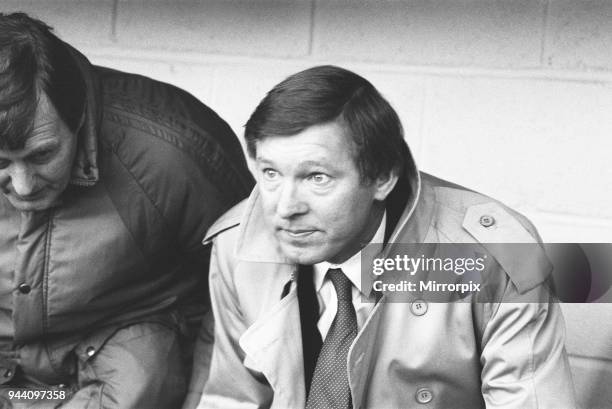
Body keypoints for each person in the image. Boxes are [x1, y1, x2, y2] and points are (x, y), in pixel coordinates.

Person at [196, 65, 577, 408]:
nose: (285, 207)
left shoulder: (499, 253)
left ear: (382, 177)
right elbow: (234, 399)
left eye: (317, 177)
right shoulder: (239, 244)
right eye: (271, 174)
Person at [0, 12, 254, 409]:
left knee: (143, 370)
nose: (23, 186)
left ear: (78, 115)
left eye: (43, 154)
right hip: (10, 371)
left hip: (117, 366)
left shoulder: (175, 154)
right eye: (0, 162)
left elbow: (245, 290)